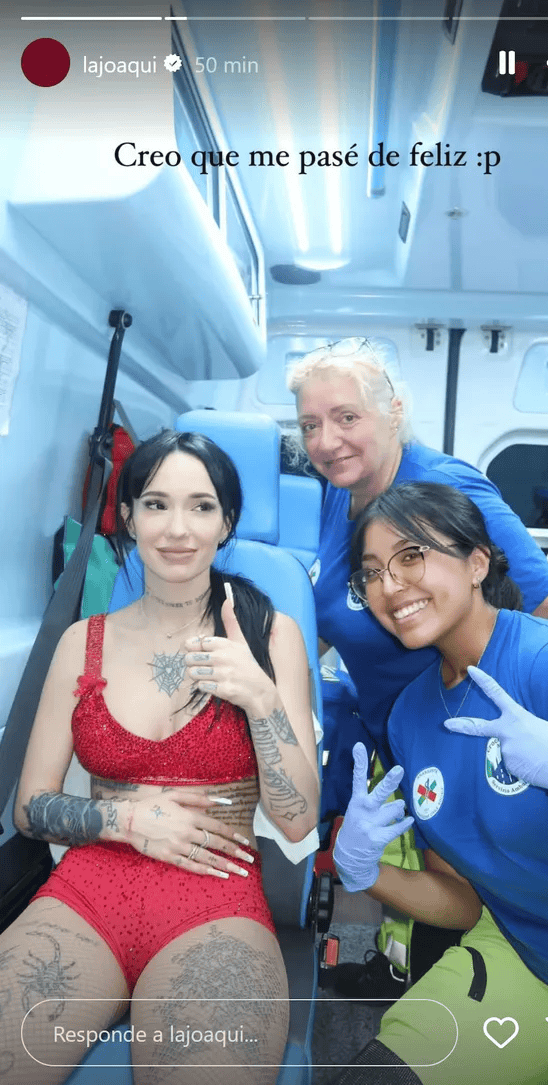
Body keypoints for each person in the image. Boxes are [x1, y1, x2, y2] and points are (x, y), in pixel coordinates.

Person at [287, 337, 548, 994]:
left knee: (475, 887)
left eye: (346, 417)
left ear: (394, 412)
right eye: (310, 424)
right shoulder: (337, 495)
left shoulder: (446, 487)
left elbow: (547, 594)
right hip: (402, 728)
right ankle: (401, 967)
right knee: (414, 875)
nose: (326, 440)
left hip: (473, 728)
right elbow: (329, 618)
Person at [0, 430, 319, 1085]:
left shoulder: (270, 634)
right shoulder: (81, 643)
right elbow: (30, 807)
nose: (177, 528)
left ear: (227, 522)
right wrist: (127, 820)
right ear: (128, 516)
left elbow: (296, 821)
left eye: (201, 506)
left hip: (217, 904)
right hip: (85, 896)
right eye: (156, 504)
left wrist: (261, 698)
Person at [331, 481, 548, 1085]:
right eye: (372, 572)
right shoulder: (410, 717)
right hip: (531, 961)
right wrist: (364, 872)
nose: (390, 585)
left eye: (411, 555)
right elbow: (462, 899)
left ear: (478, 563)